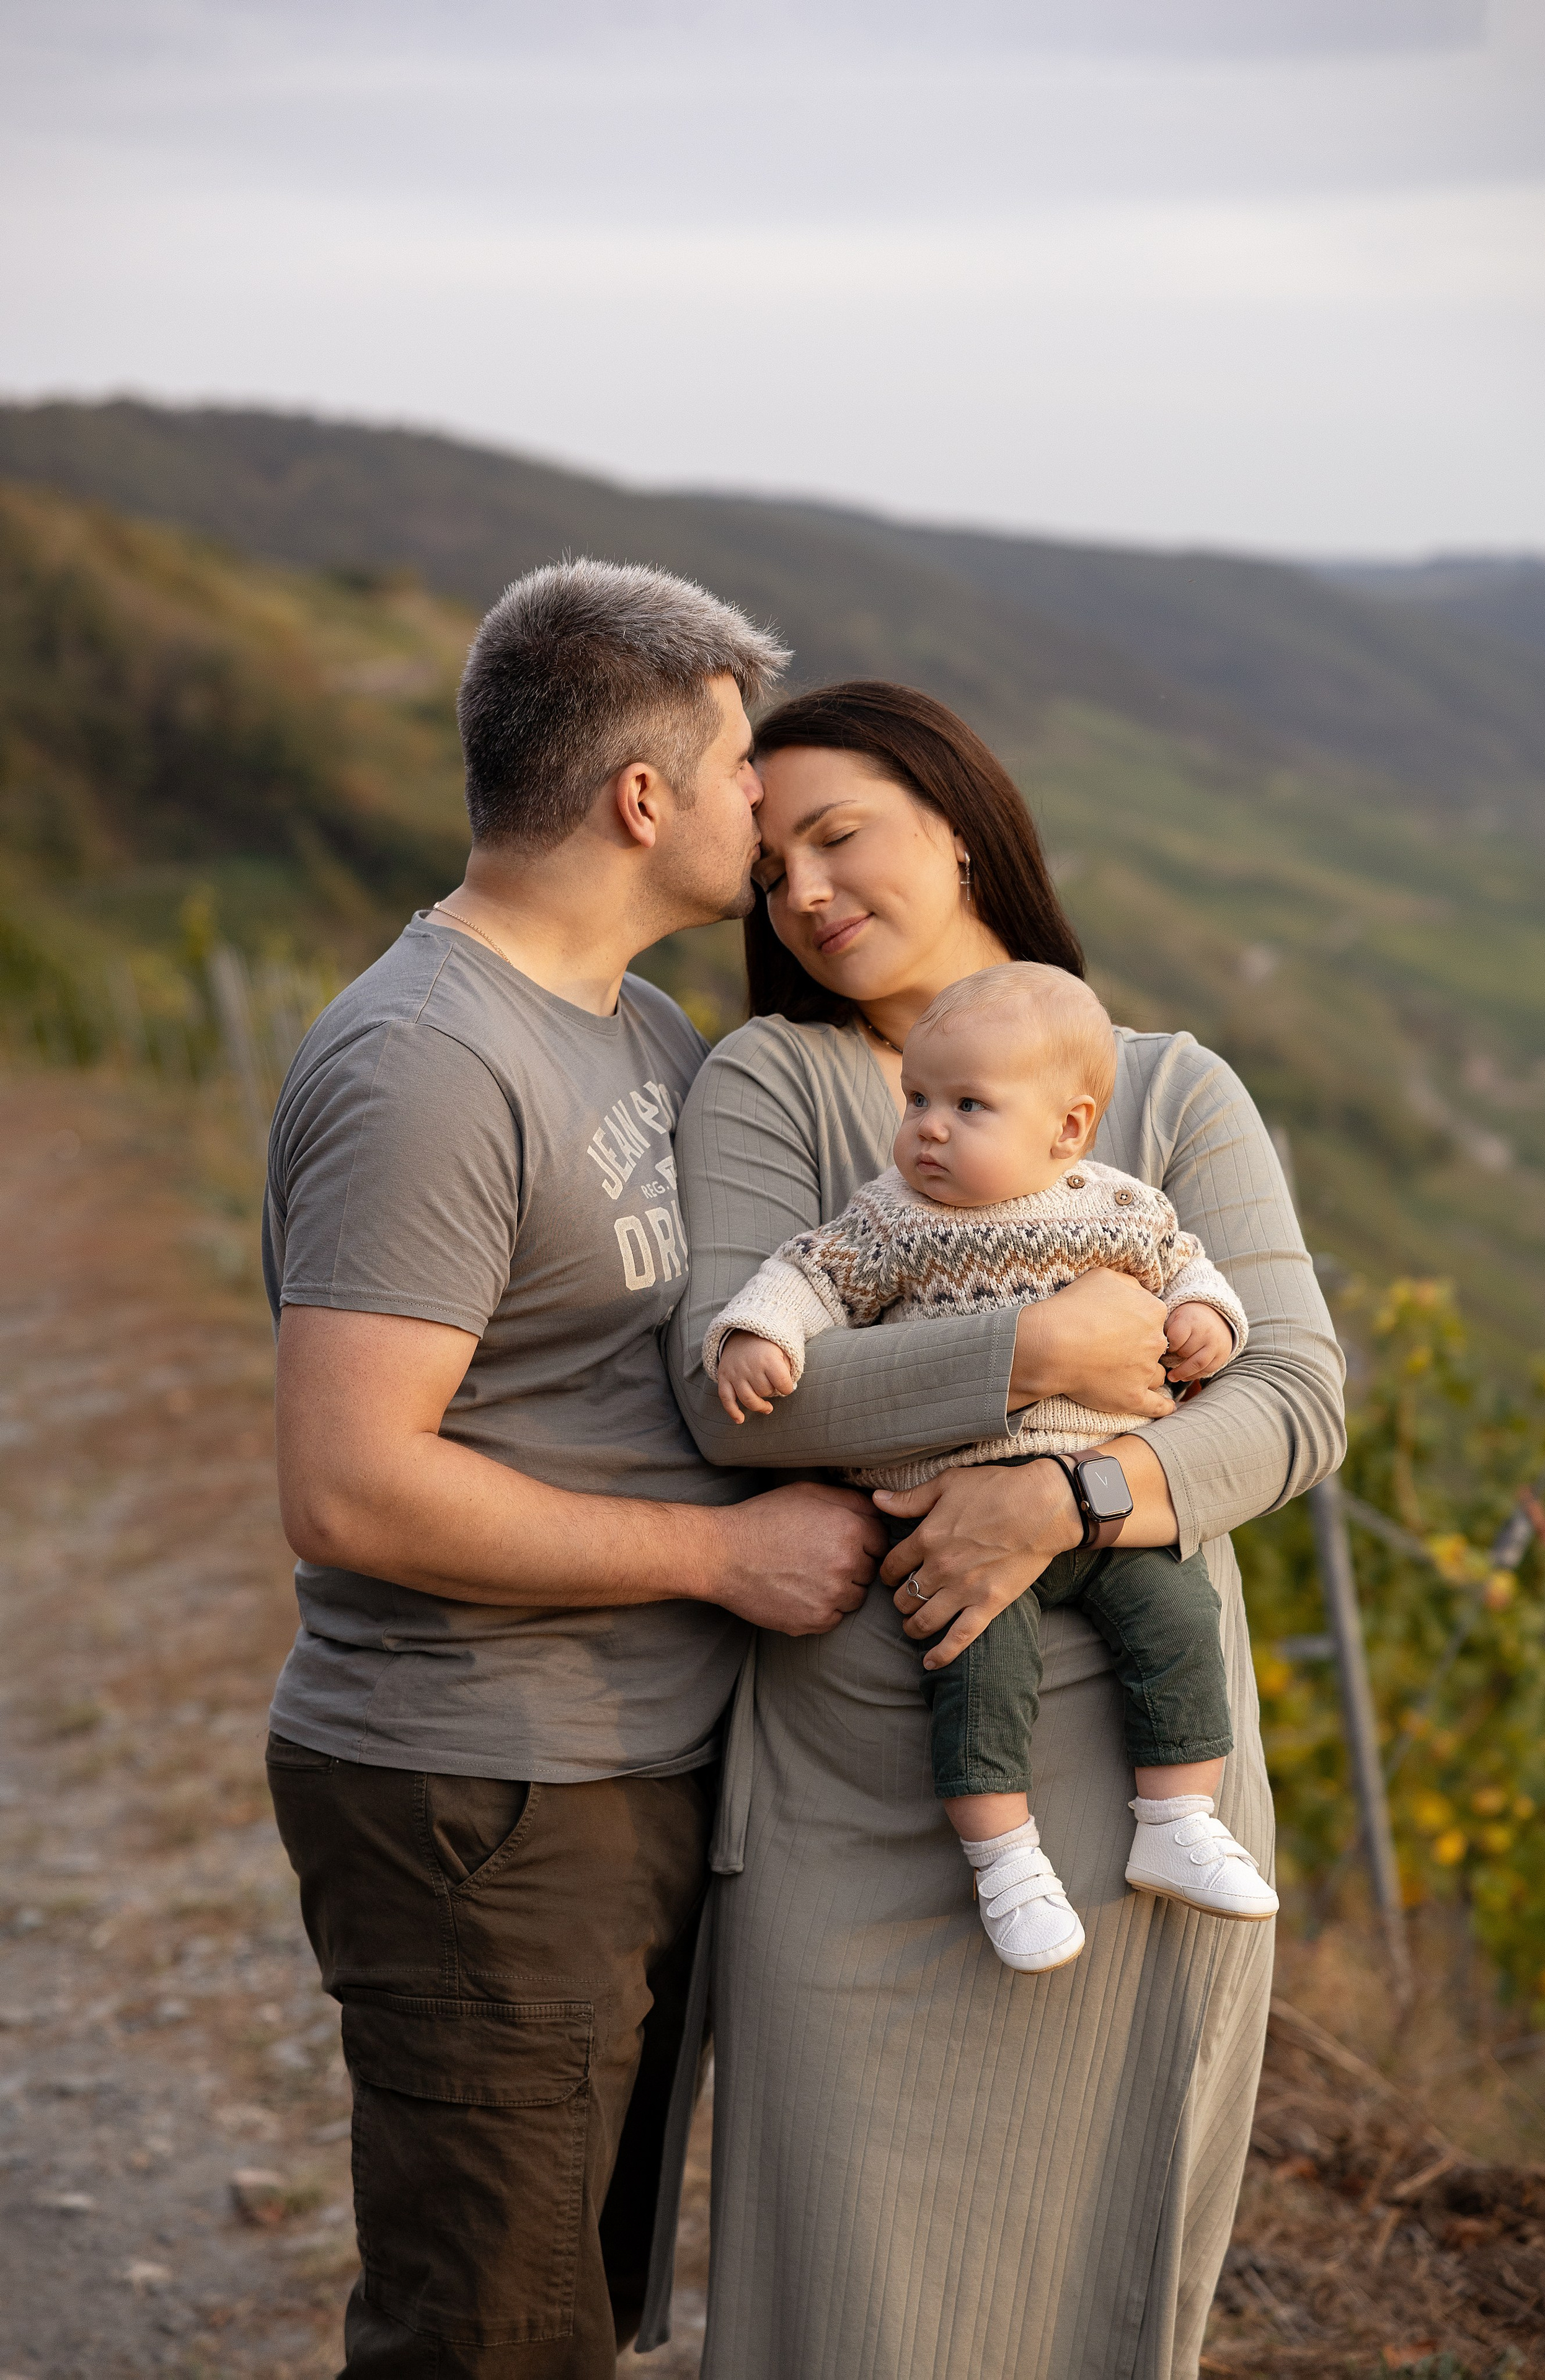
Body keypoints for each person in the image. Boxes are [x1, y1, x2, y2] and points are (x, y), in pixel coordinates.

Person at [666, 681, 1346, 2380]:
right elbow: (734, 1398)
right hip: (853, 1795)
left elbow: (1291, 1400)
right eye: (769, 867)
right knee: (837, 2293)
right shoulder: (768, 1080)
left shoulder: (1169, 1092)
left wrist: (1060, 1497)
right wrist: (1036, 1354)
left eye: (839, 835)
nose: (803, 890)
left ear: (961, 823)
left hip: (1141, 1795)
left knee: (1092, 2291)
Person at [262, 562, 883, 2380]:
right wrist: (723, 1561)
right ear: (639, 797)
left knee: (570, 2316)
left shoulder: (635, 1026)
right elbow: (350, 1487)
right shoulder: (427, 1064)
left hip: (612, 1772)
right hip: (482, 1788)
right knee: (488, 2333)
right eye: (739, 766)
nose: (760, 801)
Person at [702, 961, 1277, 1973]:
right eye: (917, 1099)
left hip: (1105, 1510)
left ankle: (1179, 1820)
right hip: (952, 1528)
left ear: (1067, 1130)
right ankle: (1005, 1861)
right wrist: (759, 1333)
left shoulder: (1121, 1207)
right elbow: (806, 1275)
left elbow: (1195, 1270)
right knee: (979, 1675)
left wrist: (1205, 1320)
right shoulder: (892, 1221)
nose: (929, 1128)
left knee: (1182, 1625)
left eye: (968, 1106)